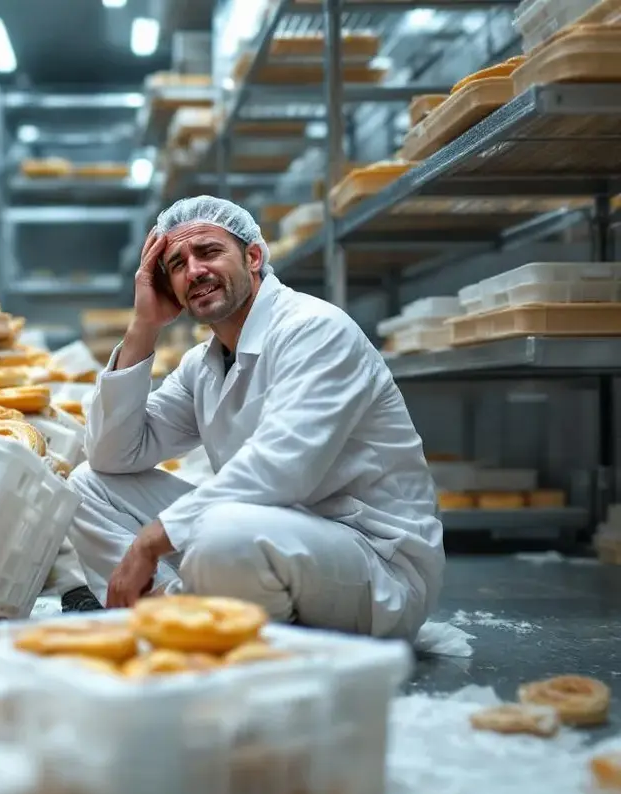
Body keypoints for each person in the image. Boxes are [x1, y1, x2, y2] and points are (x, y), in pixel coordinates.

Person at [65, 195, 443, 640]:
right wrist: (143, 325)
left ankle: (200, 625)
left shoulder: (315, 330)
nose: (195, 271)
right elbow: (113, 455)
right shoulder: (203, 364)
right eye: (177, 264)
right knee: (88, 485)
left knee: (221, 534)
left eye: (208, 252)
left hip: (370, 559)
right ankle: (174, 621)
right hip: (271, 537)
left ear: (253, 256)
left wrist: (151, 540)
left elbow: (283, 469)